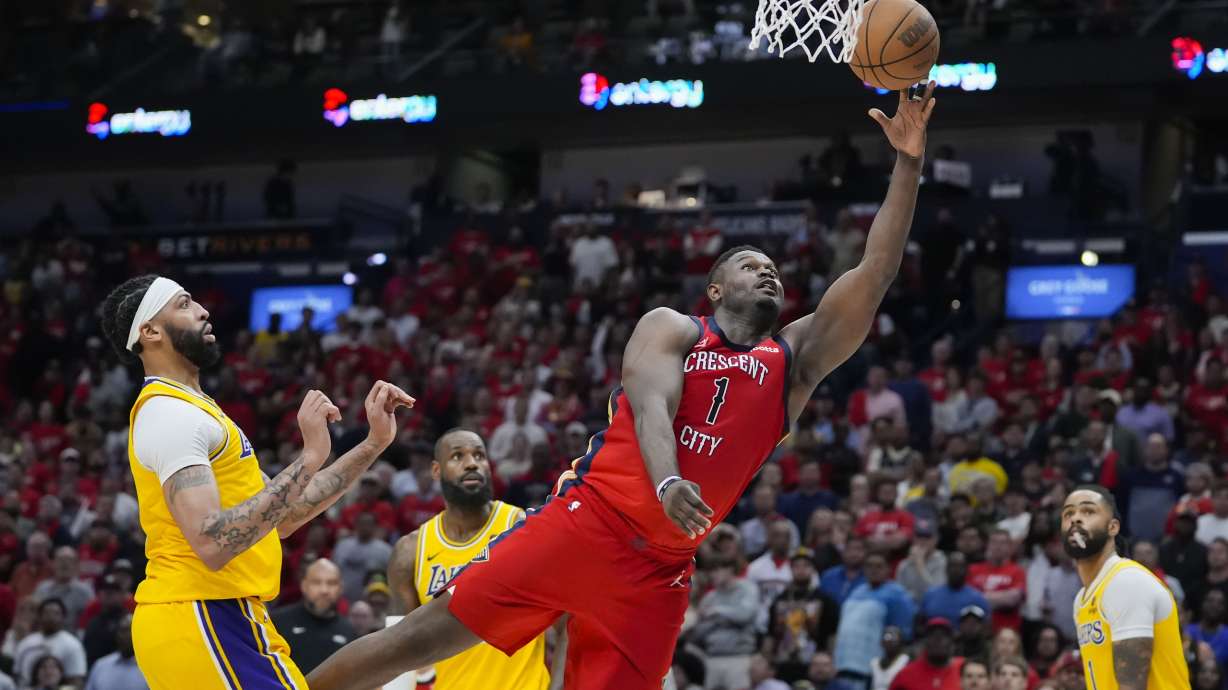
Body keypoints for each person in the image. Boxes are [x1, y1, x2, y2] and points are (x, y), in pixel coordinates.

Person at [307, 81, 939, 690]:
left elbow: (876, 271)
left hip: (660, 571)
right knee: (421, 638)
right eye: (750, 266)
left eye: (773, 268)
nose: (767, 272)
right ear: (716, 290)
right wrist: (667, 481)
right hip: (586, 525)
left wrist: (908, 163)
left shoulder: (793, 361)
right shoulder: (673, 328)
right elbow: (651, 406)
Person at [98, 274, 415, 690]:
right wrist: (311, 456)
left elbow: (287, 514)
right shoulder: (169, 414)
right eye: (184, 303)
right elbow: (213, 542)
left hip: (218, 614)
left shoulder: (199, 411)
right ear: (150, 331)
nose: (203, 310)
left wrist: (373, 444)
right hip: (202, 611)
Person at [385, 428, 554, 690]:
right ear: (436, 470)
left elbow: (569, 623)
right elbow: (398, 650)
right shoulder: (411, 550)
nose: (472, 463)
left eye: (479, 455)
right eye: (457, 456)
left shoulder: (522, 527)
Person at [1062, 485, 1189, 689]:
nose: (1075, 518)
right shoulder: (1082, 599)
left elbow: (1132, 685)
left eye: (1088, 511)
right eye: (1068, 513)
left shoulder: (1126, 581)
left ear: (1113, 527)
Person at [835, 553, 917, 689]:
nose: (874, 570)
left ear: (888, 569)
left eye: (879, 566)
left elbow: (902, 633)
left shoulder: (897, 595)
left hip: (870, 668)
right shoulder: (857, 591)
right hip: (843, 665)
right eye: (869, 566)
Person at [270, 559, 356, 675]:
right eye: (316, 582)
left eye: (331, 583)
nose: (324, 590)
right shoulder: (277, 623)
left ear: (341, 588)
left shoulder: (349, 631)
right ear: (304, 586)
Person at [12, 598, 87, 687]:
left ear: (63, 617)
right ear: (39, 616)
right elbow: (16, 674)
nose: (51, 617)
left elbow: (76, 681)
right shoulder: (26, 643)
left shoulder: (72, 645)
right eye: (47, 613)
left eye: (56, 613)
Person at [967, 529, 1027, 632]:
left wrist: (979, 597)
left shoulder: (1018, 571)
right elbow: (966, 598)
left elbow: (1012, 600)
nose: (998, 546)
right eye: (994, 542)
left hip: (1006, 634)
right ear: (988, 545)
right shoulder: (973, 570)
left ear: (1010, 547)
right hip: (977, 632)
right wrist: (1002, 596)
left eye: (1002, 543)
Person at [888, 618, 963, 690]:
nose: (938, 640)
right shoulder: (906, 675)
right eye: (932, 635)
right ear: (924, 642)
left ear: (952, 642)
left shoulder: (965, 669)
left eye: (943, 635)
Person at [922, 552, 990, 624]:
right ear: (946, 569)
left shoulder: (978, 598)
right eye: (953, 566)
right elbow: (920, 624)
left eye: (960, 566)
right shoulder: (931, 595)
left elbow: (986, 628)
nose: (956, 570)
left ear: (967, 570)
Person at [84, 613, 146, 690]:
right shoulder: (101, 666)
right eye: (122, 630)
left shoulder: (151, 669)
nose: (125, 636)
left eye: (130, 630)